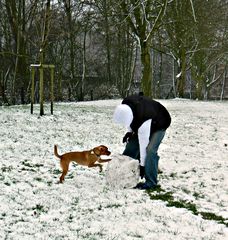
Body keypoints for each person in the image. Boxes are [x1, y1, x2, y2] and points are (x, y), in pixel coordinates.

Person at [113, 92, 171, 190]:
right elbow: (129, 121)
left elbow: (143, 146)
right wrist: (130, 132)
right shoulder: (125, 105)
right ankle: (125, 172)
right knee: (131, 147)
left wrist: (143, 166)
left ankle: (151, 182)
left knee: (150, 150)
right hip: (145, 119)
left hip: (160, 122)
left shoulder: (143, 120)